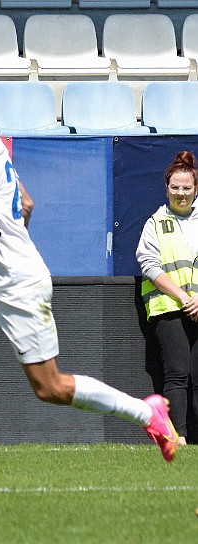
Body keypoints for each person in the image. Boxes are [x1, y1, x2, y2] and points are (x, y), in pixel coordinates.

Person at [0, 74, 179, 484]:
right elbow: (27, 203)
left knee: (49, 387)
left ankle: (148, 413)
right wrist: (11, 246)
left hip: (16, 284)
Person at [136, 151, 198, 447]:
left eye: (186, 188)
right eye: (175, 187)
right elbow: (148, 265)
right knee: (177, 374)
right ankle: (179, 437)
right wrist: (186, 298)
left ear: (195, 189)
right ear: (166, 188)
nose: (181, 193)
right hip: (169, 307)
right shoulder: (156, 222)